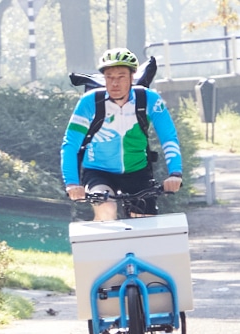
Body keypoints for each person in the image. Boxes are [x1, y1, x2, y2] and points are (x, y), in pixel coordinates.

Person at [60, 47, 183, 221]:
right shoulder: (90, 102)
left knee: (145, 224)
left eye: (121, 77)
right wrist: (72, 183)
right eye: (109, 77)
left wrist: (175, 174)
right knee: (106, 209)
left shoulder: (149, 100)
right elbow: (70, 144)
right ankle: (101, 246)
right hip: (98, 171)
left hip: (137, 170)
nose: (114, 83)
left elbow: (169, 138)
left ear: (132, 77)